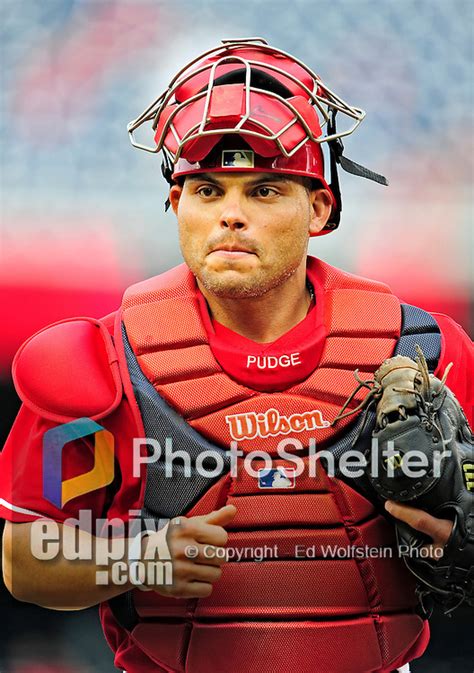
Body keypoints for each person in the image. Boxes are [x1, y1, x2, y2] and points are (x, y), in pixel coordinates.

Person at [1, 38, 472, 673]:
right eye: (206, 190)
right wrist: (135, 559)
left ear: (320, 208)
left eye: (265, 190)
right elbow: (26, 560)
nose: (230, 215)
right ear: (175, 205)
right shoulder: (97, 362)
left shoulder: (428, 353)